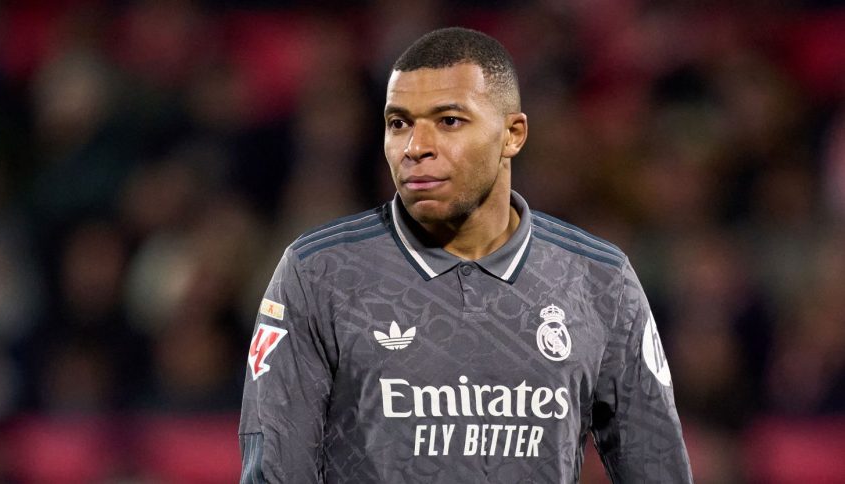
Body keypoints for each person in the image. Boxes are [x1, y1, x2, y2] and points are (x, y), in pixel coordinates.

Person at [239, 27, 693, 483]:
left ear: (512, 134)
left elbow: (659, 470)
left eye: (449, 121)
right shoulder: (320, 273)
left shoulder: (598, 280)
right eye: (399, 123)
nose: (416, 147)